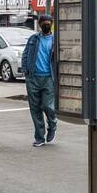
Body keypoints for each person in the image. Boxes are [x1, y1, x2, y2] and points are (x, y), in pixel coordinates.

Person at [19, 13, 57, 147]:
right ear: (40, 25)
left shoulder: (56, 40)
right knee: (35, 109)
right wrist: (25, 70)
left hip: (48, 78)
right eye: (44, 23)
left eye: (49, 23)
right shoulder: (33, 39)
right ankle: (39, 137)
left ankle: (52, 125)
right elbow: (25, 54)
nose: (46, 25)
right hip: (33, 78)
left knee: (48, 106)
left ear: (51, 24)